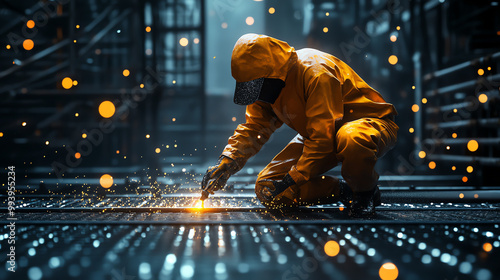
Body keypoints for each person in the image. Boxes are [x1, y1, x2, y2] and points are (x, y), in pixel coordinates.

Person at [201, 34, 398, 218]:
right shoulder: (264, 82)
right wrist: (227, 162)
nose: (257, 95)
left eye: (257, 86)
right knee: (268, 188)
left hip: (368, 125)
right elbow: (255, 127)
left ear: (271, 74)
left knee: (351, 138)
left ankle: (365, 194)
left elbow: (323, 136)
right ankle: (344, 191)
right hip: (319, 134)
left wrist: (295, 177)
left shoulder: (315, 72)